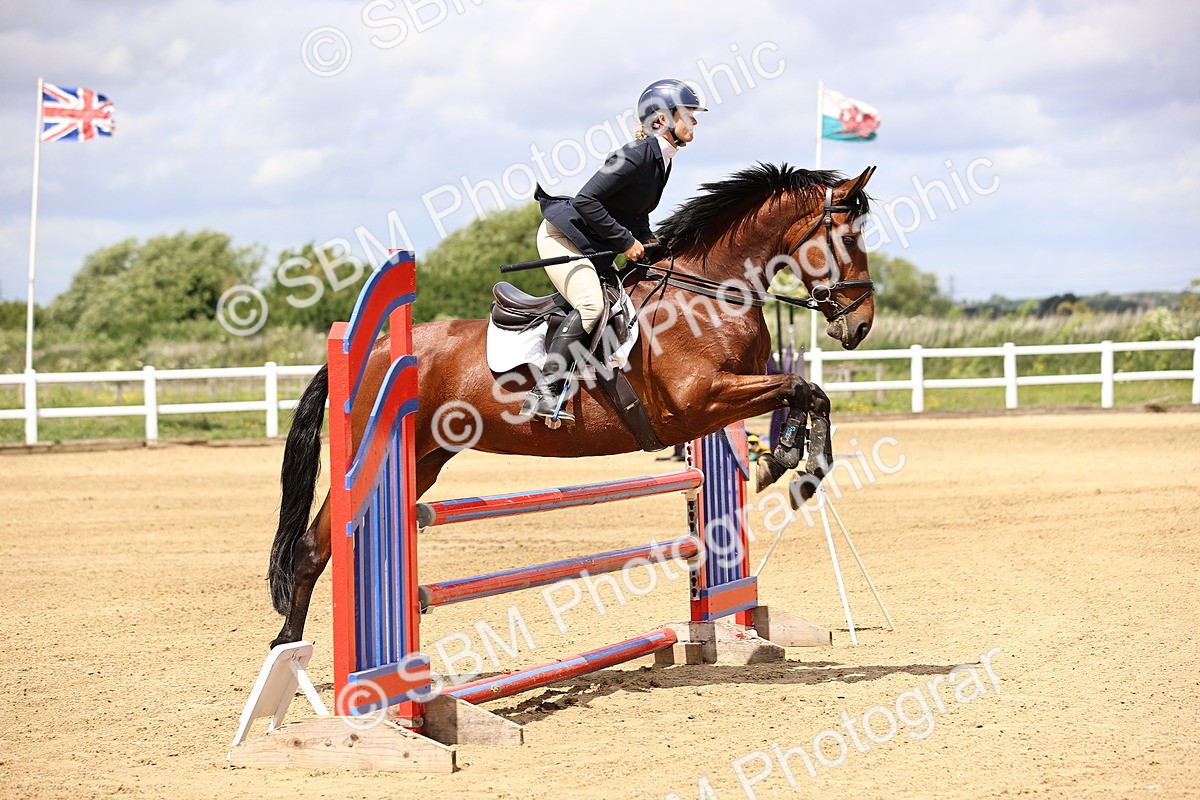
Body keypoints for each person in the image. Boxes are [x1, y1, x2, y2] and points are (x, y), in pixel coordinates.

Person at [520, 79, 707, 425]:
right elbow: (586, 200)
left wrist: (651, 243)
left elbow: (636, 212)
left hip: (594, 244)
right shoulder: (635, 155)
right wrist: (625, 242)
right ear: (662, 119)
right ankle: (543, 392)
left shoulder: (662, 159)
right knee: (591, 305)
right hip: (563, 236)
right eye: (688, 113)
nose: (694, 121)